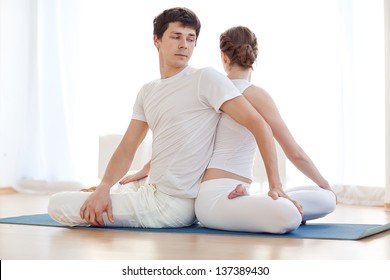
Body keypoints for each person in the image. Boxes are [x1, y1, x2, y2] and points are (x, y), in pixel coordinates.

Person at [47, 8, 285, 228]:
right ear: (157, 40)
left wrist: (275, 186)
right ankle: (115, 194)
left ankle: (114, 197)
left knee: (57, 204)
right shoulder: (148, 91)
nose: (184, 45)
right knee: (107, 188)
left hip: (171, 204)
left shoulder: (206, 79)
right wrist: (105, 186)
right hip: (152, 186)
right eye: (176, 36)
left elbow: (259, 125)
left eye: (190, 39)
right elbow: (128, 146)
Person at [121, 26, 337, 234]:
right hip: (215, 199)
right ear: (254, 57)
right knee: (298, 211)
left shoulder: (209, 90)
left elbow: (183, 138)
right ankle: (258, 202)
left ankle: (254, 199)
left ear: (223, 56)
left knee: (325, 198)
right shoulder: (243, 94)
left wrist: (147, 167)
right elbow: (294, 152)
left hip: (229, 193)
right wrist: (325, 185)